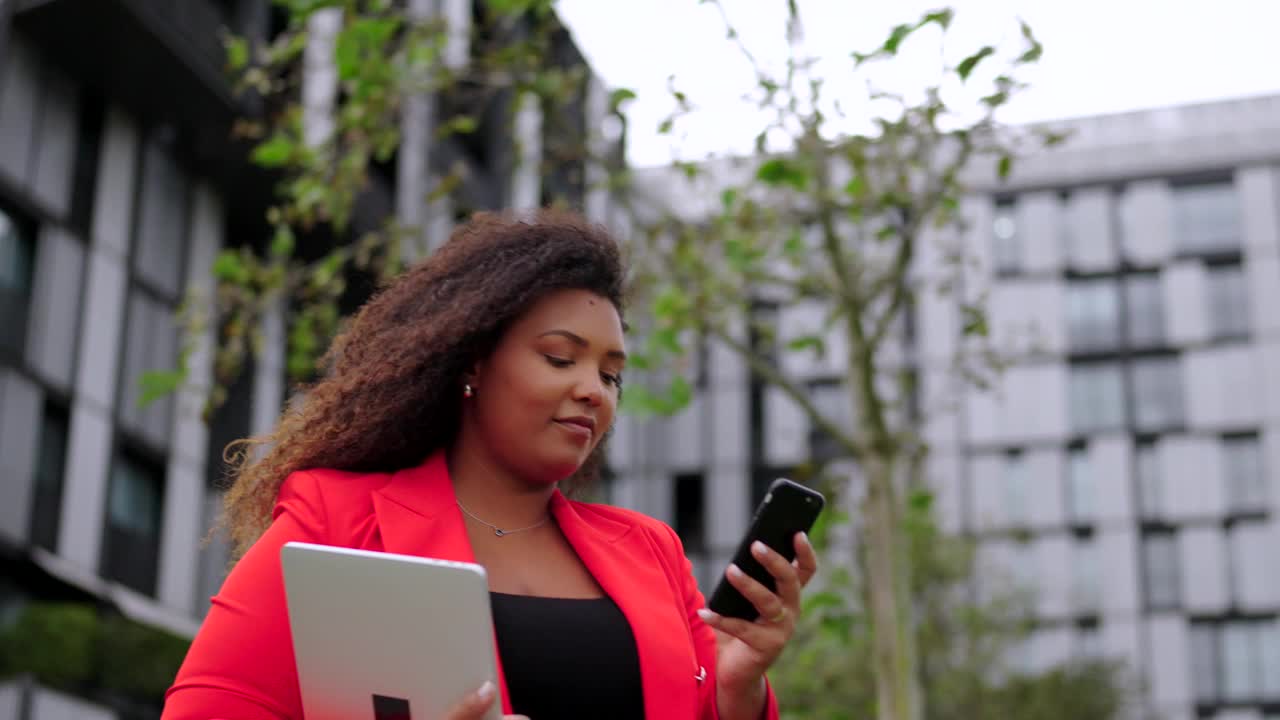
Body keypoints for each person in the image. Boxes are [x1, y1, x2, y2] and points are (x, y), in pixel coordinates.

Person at [163, 210, 818, 720]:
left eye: (611, 375)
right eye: (561, 358)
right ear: (473, 362)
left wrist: (737, 689)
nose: (593, 388)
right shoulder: (335, 520)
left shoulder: (652, 553)